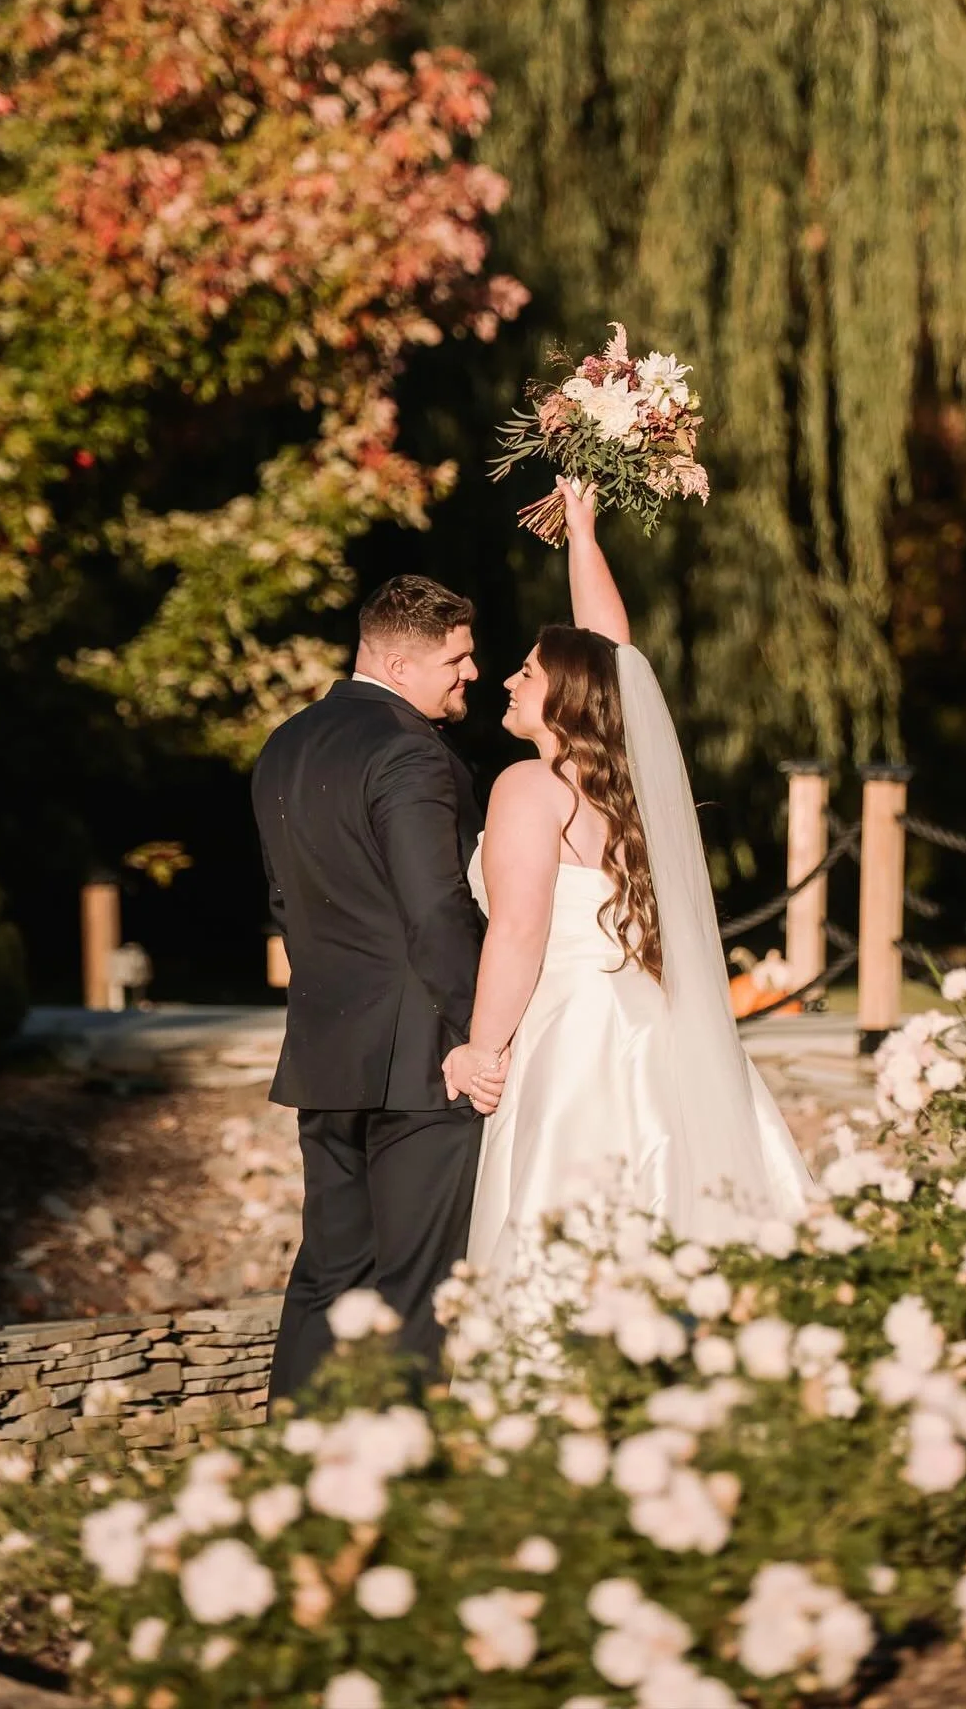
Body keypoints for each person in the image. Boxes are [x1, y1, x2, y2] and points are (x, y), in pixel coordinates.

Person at [446, 481, 812, 1297]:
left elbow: (518, 933)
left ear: (564, 699)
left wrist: (481, 1048)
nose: (509, 679)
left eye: (529, 672)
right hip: (650, 1018)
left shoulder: (527, 788)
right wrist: (581, 529)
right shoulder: (628, 786)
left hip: (571, 1036)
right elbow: (616, 657)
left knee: (566, 1230)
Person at [252, 575, 501, 1407]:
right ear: (399, 661)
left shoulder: (284, 743)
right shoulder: (410, 752)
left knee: (328, 1273)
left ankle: (292, 1461)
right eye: (456, 660)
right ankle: (402, 1478)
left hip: (327, 1049)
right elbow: (435, 908)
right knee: (420, 1282)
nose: (471, 673)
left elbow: (287, 902)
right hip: (422, 1056)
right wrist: (481, 1034)